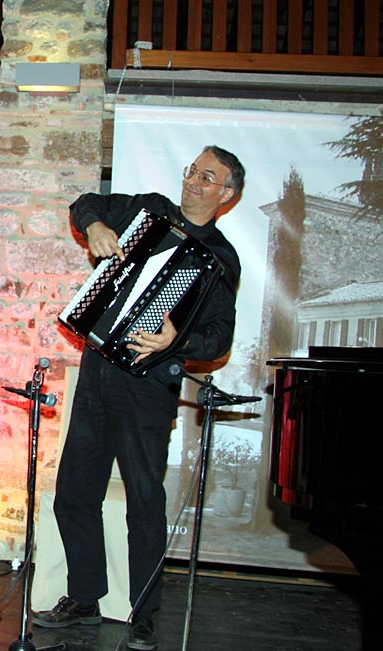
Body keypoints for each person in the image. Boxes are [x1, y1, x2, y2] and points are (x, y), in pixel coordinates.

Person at [35, 146, 245, 650]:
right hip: (98, 372)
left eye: (207, 177)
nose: (193, 181)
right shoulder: (149, 210)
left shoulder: (220, 259)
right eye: (192, 171)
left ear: (226, 193)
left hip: (149, 387)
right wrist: (95, 226)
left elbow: (219, 335)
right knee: (74, 494)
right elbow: (87, 203)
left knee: (144, 503)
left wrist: (177, 339)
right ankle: (84, 598)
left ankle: (143, 613)